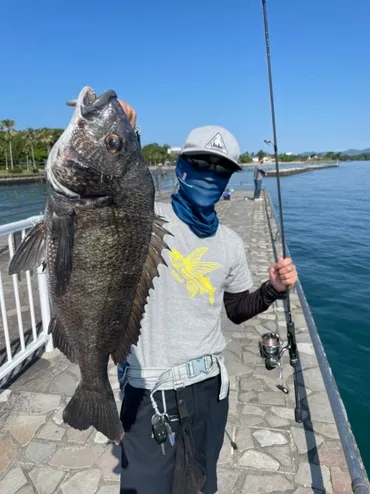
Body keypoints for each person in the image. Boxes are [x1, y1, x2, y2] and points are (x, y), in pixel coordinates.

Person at [117, 99, 298, 494]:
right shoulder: (147, 218)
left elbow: (234, 310)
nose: (209, 175)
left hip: (209, 388)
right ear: (181, 168)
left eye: (221, 169)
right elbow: (116, 193)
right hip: (149, 389)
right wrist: (127, 135)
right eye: (200, 163)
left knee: (199, 486)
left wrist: (272, 290)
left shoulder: (230, 244)